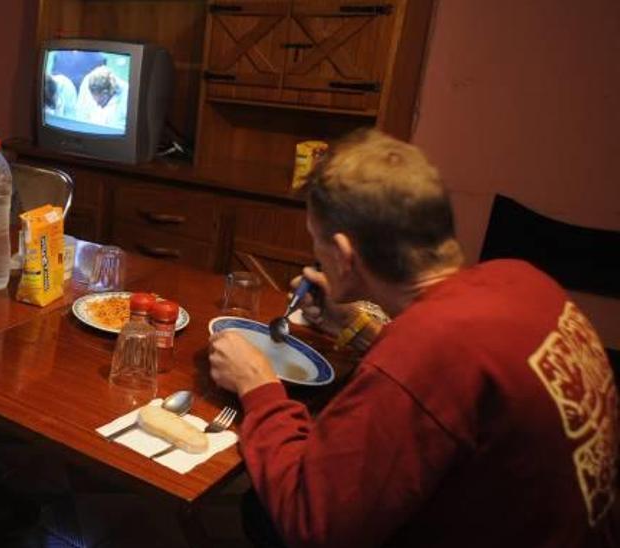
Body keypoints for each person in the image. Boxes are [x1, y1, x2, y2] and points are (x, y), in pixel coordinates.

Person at [207, 130, 618, 546]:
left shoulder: (423, 356)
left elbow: (312, 522)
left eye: (315, 239)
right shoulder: (523, 278)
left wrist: (257, 385)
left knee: (264, 513)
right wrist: (355, 327)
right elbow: (449, 381)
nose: (314, 250)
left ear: (345, 257)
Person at [75, 64, 127, 129]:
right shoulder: (87, 83)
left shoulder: (126, 98)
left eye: (100, 102)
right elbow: (80, 117)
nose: (97, 104)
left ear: (105, 93)